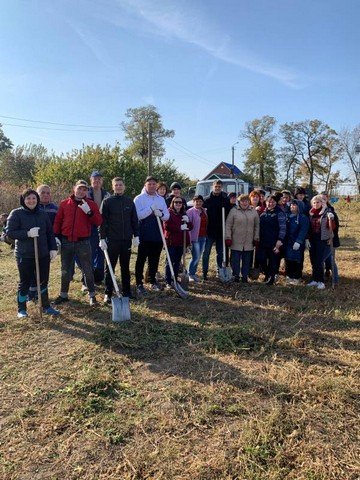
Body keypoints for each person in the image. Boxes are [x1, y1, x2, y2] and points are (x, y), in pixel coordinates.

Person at [6, 189, 59, 318]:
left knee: (43, 281)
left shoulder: (42, 214)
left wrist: (53, 248)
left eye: (34, 198)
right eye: (28, 198)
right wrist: (27, 233)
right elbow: (9, 232)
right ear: (23, 200)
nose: (31, 201)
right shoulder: (16, 214)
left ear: (37, 200)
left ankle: (46, 306)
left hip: (43, 254)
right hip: (24, 254)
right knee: (25, 282)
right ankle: (22, 309)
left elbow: (49, 233)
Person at [53, 180, 102, 305]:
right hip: (66, 242)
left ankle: (92, 295)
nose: (81, 191)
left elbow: (98, 221)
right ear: (74, 188)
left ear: (87, 191)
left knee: (88, 270)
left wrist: (89, 212)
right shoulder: (64, 204)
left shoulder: (90, 204)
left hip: (83, 243)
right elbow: (58, 221)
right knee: (65, 270)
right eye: (79, 188)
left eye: (84, 189)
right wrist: (56, 236)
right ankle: (63, 295)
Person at [99, 177, 139, 302]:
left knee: (125, 266)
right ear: (112, 187)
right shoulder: (107, 202)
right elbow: (102, 222)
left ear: (124, 187)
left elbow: (134, 220)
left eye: (120, 185)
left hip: (126, 239)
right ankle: (108, 293)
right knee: (110, 266)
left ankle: (126, 291)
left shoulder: (129, 202)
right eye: (116, 185)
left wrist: (136, 236)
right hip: (112, 240)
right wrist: (102, 238)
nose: (118, 187)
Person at [134, 176, 170, 295]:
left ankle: (152, 280)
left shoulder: (160, 199)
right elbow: (138, 216)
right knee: (141, 259)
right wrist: (150, 209)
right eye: (149, 184)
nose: (152, 186)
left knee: (154, 259)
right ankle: (139, 283)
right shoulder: (139, 199)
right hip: (144, 234)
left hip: (157, 234)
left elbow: (167, 216)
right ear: (145, 185)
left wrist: (161, 214)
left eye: (154, 184)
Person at [225, 194, 259, 283]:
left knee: (247, 260)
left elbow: (257, 226)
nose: (245, 203)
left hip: (249, 241)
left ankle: (245, 276)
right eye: (243, 201)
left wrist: (256, 238)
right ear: (239, 202)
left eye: (246, 201)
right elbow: (228, 225)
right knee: (235, 260)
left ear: (249, 202)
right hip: (236, 240)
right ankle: (236, 276)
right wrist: (228, 237)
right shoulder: (234, 211)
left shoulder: (253, 211)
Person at [202, 180, 231, 280]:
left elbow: (229, 213)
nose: (217, 188)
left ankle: (220, 271)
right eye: (216, 186)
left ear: (221, 187)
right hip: (209, 231)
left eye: (219, 186)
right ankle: (204, 273)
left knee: (220, 253)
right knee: (206, 253)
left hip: (220, 231)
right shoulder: (206, 200)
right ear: (212, 187)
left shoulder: (225, 199)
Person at [307, 195, 335, 290]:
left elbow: (333, 227)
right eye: (314, 203)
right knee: (313, 260)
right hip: (312, 239)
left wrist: (331, 218)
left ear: (321, 203)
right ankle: (315, 279)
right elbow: (309, 227)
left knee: (319, 261)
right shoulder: (310, 213)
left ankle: (321, 281)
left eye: (318, 202)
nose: (316, 204)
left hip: (322, 240)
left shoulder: (327, 212)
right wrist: (307, 238)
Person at [163, 197, 192, 287]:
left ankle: (175, 279)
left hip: (181, 242)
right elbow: (167, 226)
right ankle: (168, 281)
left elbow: (190, 227)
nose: (178, 204)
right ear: (173, 203)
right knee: (170, 261)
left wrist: (188, 221)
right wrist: (179, 228)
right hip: (171, 241)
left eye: (180, 202)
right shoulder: (168, 212)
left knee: (177, 261)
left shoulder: (183, 213)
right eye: (176, 202)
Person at [258, 195, 287, 285]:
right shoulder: (263, 213)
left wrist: (280, 240)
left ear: (276, 203)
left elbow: (283, 228)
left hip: (274, 241)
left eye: (273, 202)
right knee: (261, 259)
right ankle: (267, 274)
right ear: (266, 203)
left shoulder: (279, 213)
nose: (270, 203)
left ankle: (271, 278)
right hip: (263, 241)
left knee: (273, 261)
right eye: (268, 202)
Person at [87, 170, 110, 284]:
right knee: (89, 252)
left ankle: (99, 277)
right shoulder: (86, 193)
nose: (97, 181)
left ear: (102, 181)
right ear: (91, 181)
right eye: (95, 179)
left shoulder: (106, 194)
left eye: (99, 179)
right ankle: (87, 279)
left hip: (102, 225)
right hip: (89, 225)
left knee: (101, 251)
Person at [284, 199, 309, 284]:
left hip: (297, 243)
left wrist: (299, 241)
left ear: (299, 206)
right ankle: (289, 276)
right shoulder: (288, 216)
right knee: (288, 259)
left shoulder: (303, 217)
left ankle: (297, 277)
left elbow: (303, 230)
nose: (292, 206)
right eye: (291, 205)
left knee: (297, 260)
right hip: (288, 242)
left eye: (294, 205)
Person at [187, 195, 208, 282]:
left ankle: (193, 273)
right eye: (197, 201)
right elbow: (188, 226)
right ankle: (190, 274)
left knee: (198, 256)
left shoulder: (204, 211)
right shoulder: (190, 212)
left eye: (200, 201)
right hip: (194, 237)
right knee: (195, 257)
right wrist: (189, 239)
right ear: (193, 201)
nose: (198, 203)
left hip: (203, 236)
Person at [321, 192, 340, 284]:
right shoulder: (316, 209)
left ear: (327, 199)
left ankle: (335, 279)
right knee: (323, 259)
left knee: (330, 259)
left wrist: (331, 238)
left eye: (324, 199)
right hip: (319, 240)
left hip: (329, 240)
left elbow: (335, 227)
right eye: (321, 199)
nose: (323, 201)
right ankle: (325, 274)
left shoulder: (330, 211)